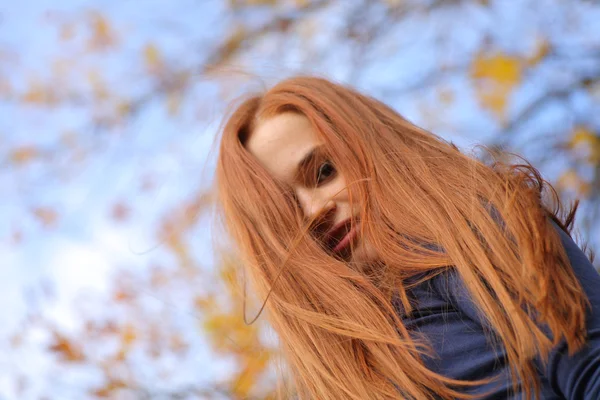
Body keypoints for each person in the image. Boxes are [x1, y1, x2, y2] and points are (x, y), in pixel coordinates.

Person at [214, 75, 600, 399]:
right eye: (287, 214)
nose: (314, 212)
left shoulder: (464, 237)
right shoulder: (341, 369)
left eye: (325, 171)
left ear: (374, 147)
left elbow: (589, 369)